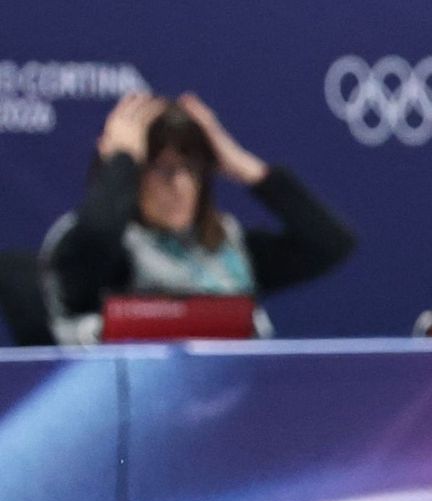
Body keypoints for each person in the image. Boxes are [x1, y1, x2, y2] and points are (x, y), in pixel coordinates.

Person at [42, 93, 356, 342]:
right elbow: (97, 234)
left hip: (230, 409)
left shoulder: (226, 244)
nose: (182, 185)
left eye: (192, 168)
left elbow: (330, 244)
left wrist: (243, 165)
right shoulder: (92, 243)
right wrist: (122, 159)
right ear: (132, 175)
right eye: (163, 169)